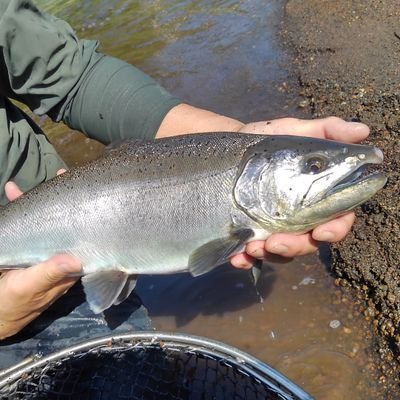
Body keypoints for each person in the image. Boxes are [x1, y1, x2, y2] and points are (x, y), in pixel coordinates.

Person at [0, 0, 369, 367]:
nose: (321, 170)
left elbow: (72, 77)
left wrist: (236, 135)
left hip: (40, 213)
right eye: (315, 165)